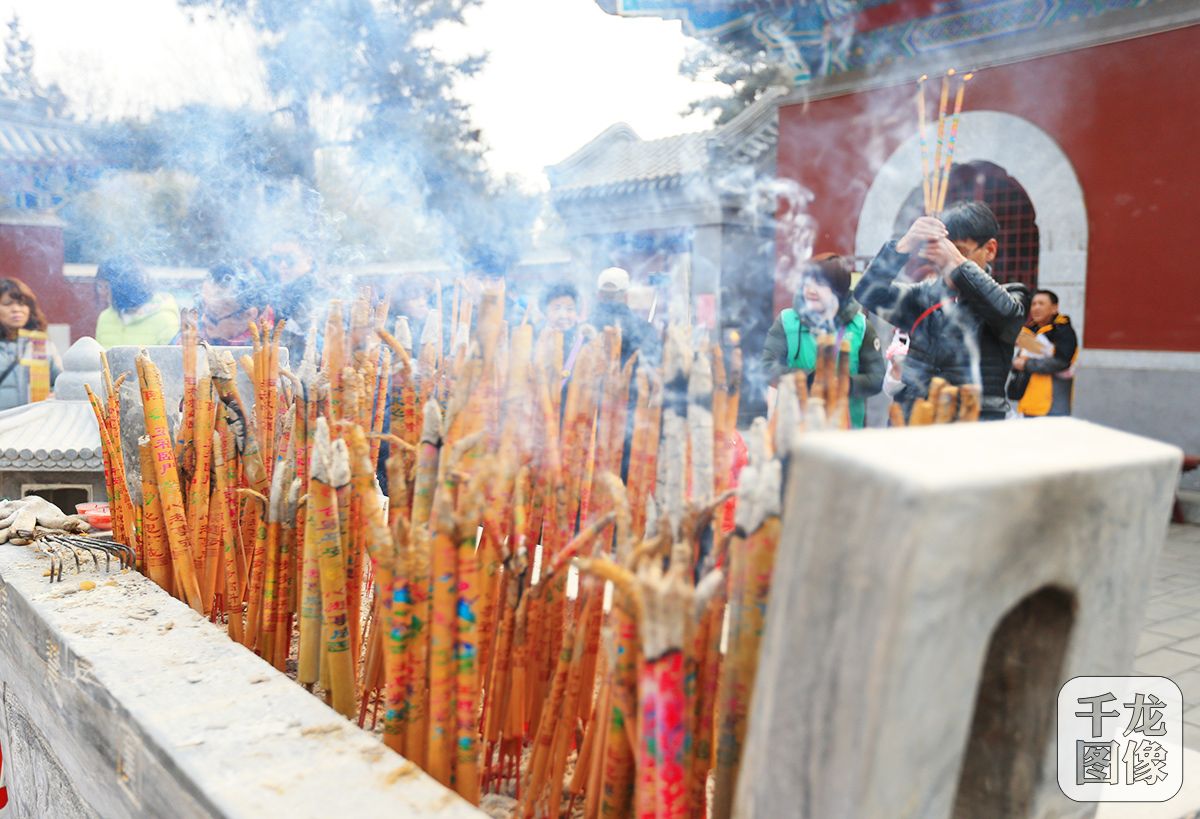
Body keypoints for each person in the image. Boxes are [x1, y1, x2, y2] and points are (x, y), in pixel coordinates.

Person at [853, 201, 1026, 421]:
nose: (943, 259)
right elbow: (867, 292)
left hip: (976, 421)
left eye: (960, 250)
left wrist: (956, 261)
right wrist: (903, 246)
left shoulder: (1011, 294)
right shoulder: (921, 296)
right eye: (940, 251)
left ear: (990, 249)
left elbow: (1008, 315)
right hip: (916, 417)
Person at [761, 253, 885, 427]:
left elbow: (877, 378)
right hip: (796, 428)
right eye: (807, 283)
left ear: (838, 290)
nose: (810, 290)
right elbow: (767, 368)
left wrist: (841, 384)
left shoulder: (861, 327)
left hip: (845, 429)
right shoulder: (787, 321)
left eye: (819, 284)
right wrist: (810, 378)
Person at [1009, 289, 1078, 417]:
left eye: (1041, 303)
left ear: (1054, 308)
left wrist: (1026, 364)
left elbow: (1062, 362)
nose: (1036, 308)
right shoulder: (1028, 332)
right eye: (1034, 304)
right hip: (1028, 401)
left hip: (1052, 404)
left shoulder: (1063, 332)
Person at [0, 278, 61, 410]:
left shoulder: (41, 344)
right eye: (7, 304)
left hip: (33, 422)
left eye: (22, 304)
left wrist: (55, 394)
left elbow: (62, 381)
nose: (16, 309)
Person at [93, 257, 180, 348]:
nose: (102, 293)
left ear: (125, 287)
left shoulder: (164, 320)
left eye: (106, 287)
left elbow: (171, 361)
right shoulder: (105, 317)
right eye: (99, 286)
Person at [587, 267, 659, 367]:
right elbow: (651, 364)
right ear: (626, 296)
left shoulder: (586, 328)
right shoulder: (644, 329)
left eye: (612, 296)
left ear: (599, 295)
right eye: (609, 296)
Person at [195, 261, 271, 347]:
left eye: (213, 315)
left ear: (247, 316)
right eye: (201, 305)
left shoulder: (279, 343)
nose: (203, 319)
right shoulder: (194, 332)